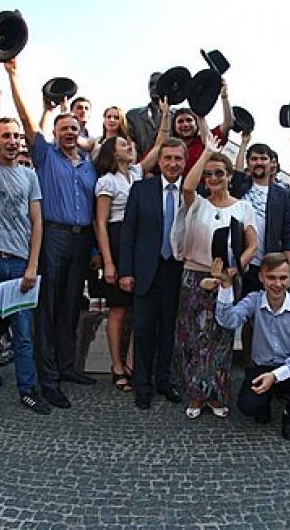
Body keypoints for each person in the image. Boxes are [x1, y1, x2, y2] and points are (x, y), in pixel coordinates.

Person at [8, 56, 98, 409]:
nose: (70, 133)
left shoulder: (90, 166)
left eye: (74, 128)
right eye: (63, 128)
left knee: (70, 307)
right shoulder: (45, 156)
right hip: (53, 238)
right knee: (45, 310)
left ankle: (66, 366)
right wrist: (14, 75)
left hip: (82, 240)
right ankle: (48, 379)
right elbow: (29, 120)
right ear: (55, 134)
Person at [0, 55, 50, 422]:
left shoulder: (29, 176)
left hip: (20, 265)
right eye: (7, 136)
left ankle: (28, 390)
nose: (14, 141)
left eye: (18, 136)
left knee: (23, 335)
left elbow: (37, 223)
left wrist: (32, 265)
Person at [175, 137, 257, 420]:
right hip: (195, 276)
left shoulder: (243, 207)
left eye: (219, 173)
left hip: (226, 279)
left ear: (230, 176)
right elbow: (187, 185)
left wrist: (235, 270)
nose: (212, 178)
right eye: (208, 174)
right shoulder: (196, 203)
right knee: (194, 339)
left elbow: (252, 245)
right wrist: (208, 151)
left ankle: (217, 395)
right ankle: (197, 396)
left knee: (221, 338)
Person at [94, 105, 168, 394]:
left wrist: (164, 115)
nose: (131, 147)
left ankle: (132, 360)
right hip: (116, 237)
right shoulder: (106, 181)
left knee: (142, 307)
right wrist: (109, 263)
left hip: (141, 241)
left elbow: (160, 143)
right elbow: (100, 223)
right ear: (113, 152)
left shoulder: (137, 173)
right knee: (118, 310)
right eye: (125, 144)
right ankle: (115, 364)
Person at [211, 253, 290, 440]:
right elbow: (229, 321)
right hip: (262, 367)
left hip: (289, 367)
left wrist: (276, 375)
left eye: (283, 278)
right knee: (247, 407)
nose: (277, 284)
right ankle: (265, 402)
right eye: (271, 277)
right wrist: (226, 287)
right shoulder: (254, 299)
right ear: (261, 277)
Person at [119, 138, 189, 410]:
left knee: (169, 330)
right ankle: (142, 385)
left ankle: (164, 380)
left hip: (177, 270)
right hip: (146, 270)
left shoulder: (193, 191)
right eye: (167, 158)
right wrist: (126, 270)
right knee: (144, 329)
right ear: (159, 161)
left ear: (185, 162)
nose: (172, 163)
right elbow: (128, 233)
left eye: (178, 159)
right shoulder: (141, 189)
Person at [229, 142, 290, 367]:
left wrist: (288, 263)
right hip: (241, 263)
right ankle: (248, 365)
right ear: (248, 163)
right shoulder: (240, 187)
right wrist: (244, 141)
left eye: (263, 158)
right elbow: (236, 170)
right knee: (244, 315)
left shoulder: (282, 193)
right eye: (254, 159)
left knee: (268, 317)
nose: (259, 163)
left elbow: (289, 229)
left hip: (269, 264)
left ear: (271, 163)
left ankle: (271, 365)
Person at [172, 81, 233, 177]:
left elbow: (228, 123)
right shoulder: (169, 147)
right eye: (180, 121)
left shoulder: (206, 139)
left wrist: (224, 97)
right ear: (174, 127)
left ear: (196, 124)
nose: (185, 124)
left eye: (189, 120)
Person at [126, 72, 165, 158]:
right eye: (151, 85)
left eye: (158, 84)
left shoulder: (177, 117)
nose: (154, 88)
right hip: (140, 167)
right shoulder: (133, 116)